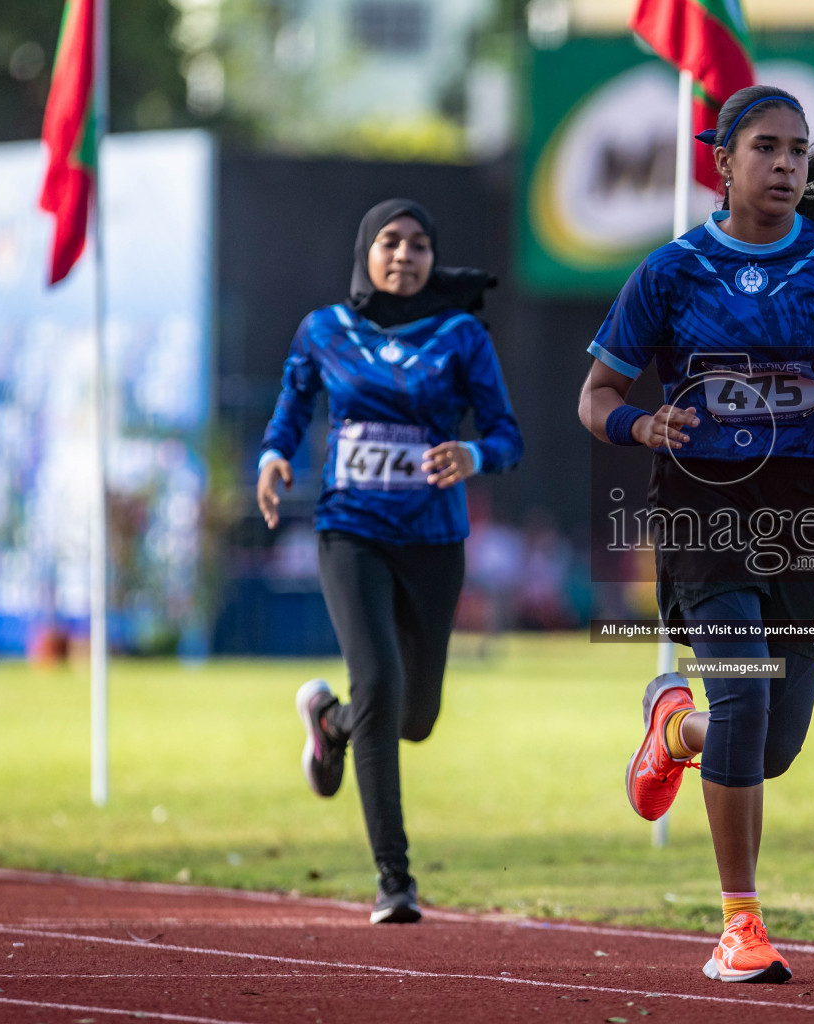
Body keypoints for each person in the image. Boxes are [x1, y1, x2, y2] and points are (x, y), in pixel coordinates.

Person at [577, 85, 814, 983]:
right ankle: (741, 924)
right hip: (701, 516)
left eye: (796, 150)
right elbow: (595, 398)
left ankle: (672, 731)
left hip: (810, 519)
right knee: (742, 697)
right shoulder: (669, 273)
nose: (785, 164)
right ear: (724, 162)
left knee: (771, 745)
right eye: (767, 148)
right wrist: (643, 426)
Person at [257, 198, 523, 924]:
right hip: (351, 531)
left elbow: (507, 435)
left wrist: (471, 453)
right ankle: (394, 881)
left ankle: (330, 721)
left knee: (413, 716)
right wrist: (275, 456)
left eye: (417, 246)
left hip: (434, 541)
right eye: (389, 242)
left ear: (434, 259)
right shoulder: (325, 330)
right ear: (365, 252)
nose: (403, 256)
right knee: (377, 679)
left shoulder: (461, 335)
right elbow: (291, 407)